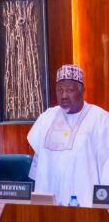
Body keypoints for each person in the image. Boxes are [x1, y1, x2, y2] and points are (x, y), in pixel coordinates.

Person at [28, 64, 109, 206]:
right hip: (48, 203)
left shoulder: (100, 118)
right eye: (59, 90)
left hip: (85, 205)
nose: (64, 95)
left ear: (82, 90)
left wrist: (104, 205)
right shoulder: (47, 118)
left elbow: (106, 166)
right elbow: (37, 162)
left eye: (70, 90)